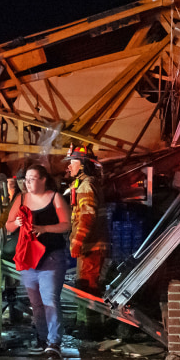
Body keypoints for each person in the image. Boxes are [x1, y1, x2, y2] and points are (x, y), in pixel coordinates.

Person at [4, 164, 71, 359]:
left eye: (33, 178)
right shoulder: (21, 199)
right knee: (36, 302)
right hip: (29, 258)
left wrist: (44, 228)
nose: (28, 182)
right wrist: (15, 224)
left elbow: (66, 224)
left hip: (51, 256)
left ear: (43, 180)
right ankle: (42, 340)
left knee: (50, 299)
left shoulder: (54, 197)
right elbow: (8, 226)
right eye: (26, 179)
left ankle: (54, 342)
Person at [65, 146, 110, 340]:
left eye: (72, 162)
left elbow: (87, 216)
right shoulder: (82, 184)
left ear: (82, 165)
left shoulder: (86, 185)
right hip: (89, 246)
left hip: (92, 246)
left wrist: (77, 242)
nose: (69, 166)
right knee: (83, 285)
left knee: (89, 288)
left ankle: (92, 331)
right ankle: (83, 325)